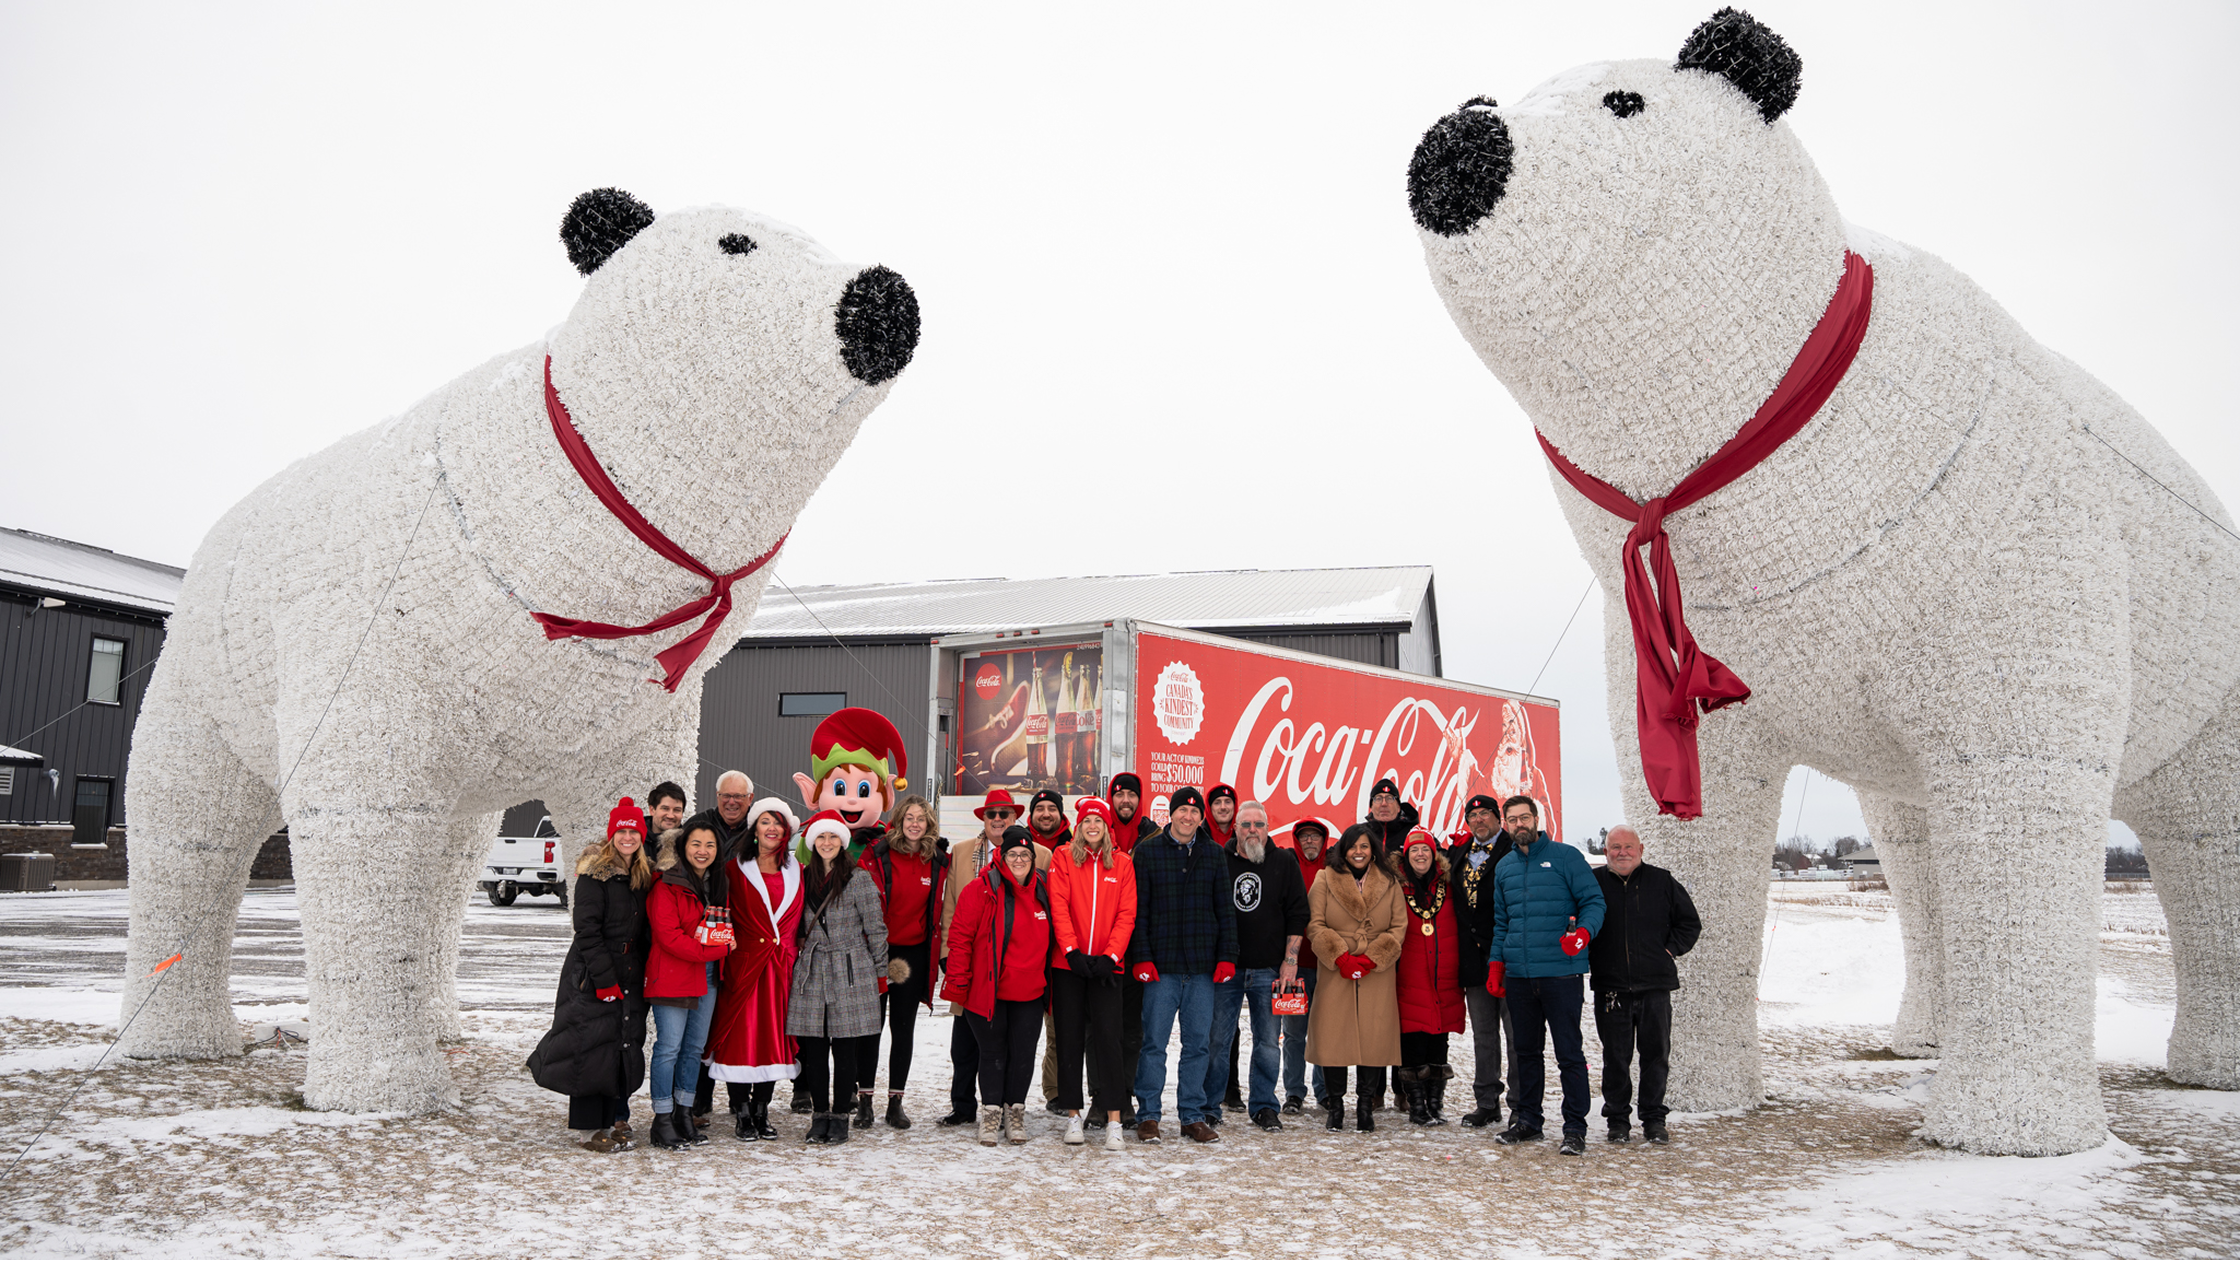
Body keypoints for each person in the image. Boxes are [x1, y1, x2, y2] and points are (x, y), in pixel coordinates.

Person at [527, 798, 654, 1152]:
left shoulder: (641, 875)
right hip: (593, 972)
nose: (627, 838)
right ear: (612, 835)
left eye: (633, 832)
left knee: (618, 1046)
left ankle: (612, 1120)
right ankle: (587, 1130)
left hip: (629, 972)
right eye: (621, 831)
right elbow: (586, 931)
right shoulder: (594, 874)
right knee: (589, 1046)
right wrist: (604, 980)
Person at [1486, 795, 1605, 1156]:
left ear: (1537, 819)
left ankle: (1574, 1127)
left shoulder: (1567, 857)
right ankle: (1528, 1121)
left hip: (1561, 974)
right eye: (1513, 819)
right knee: (1525, 1053)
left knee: (1569, 1053)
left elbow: (1594, 903)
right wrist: (1496, 963)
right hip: (1520, 976)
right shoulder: (1504, 867)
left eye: (1525, 818)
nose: (1519, 825)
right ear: (1505, 824)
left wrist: (1583, 934)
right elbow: (1502, 922)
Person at [1127, 785, 1238, 1145]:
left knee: (1198, 1046)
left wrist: (1226, 956)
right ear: (1170, 814)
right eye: (1182, 811)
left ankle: (1192, 1115)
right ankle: (1148, 1116)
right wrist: (1141, 956)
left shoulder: (1213, 853)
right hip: (1161, 968)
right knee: (1154, 1044)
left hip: (1202, 967)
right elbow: (1138, 912)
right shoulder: (1147, 853)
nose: (1188, 817)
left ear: (1201, 817)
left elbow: (1225, 910)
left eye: (1194, 812)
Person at [937, 789, 1051, 1127]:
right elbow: (950, 908)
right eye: (992, 815)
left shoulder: (1041, 856)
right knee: (967, 1046)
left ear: (1015, 819)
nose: (998, 819)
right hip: (972, 964)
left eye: (1004, 814)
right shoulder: (962, 853)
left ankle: (1005, 1108)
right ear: (983, 820)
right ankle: (964, 1106)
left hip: (1019, 973)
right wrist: (949, 956)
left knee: (1012, 1046)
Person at [1590, 824, 1701, 1145]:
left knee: (1655, 1056)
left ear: (1640, 849)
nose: (1621, 852)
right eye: (1614, 847)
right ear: (1605, 850)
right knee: (1616, 1057)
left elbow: (1689, 923)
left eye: (1628, 846)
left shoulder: (1661, 881)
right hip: (1611, 988)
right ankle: (1618, 1120)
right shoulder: (1594, 884)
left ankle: (1653, 1119)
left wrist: (1668, 949)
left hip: (1655, 986)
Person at [703, 797, 803, 1141]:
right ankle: (741, 1112)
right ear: (755, 830)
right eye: (765, 822)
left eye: (778, 823)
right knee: (740, 1040)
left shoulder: (796, 871)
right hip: (745, 966)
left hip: (781, 969)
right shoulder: (733, 869)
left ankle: (762, 1110)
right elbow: (720, 916)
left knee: (773, 1041)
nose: (772, 828)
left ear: (787, 830)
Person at [788, 810, 889, 1145]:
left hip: (851, 967)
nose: (827, 842)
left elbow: (876, 928)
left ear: (842, 842)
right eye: (821, 836)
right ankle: (820, 1115)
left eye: (833, 837)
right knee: (814, 1047)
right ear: (812, 841)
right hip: (813, 968)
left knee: (846, 1049)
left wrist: (879, 973)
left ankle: (841, 1116)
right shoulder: (802, 878)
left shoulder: (859, 879)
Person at [1208, 800, 1307, 1132]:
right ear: (1235, 829)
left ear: (1268, 828)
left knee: (1267, 1041)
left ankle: (1264, 1105)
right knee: (1219, 1040)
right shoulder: (1219, 861)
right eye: (1246, 824)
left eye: (1259, 825)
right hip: (1226, 969)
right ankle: (1210, 1105)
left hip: (1269, 970)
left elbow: (1298, 914)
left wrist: (1290, 961)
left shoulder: (1284, 862)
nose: (1253, 830)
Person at [1048, 796, 1137, 1151]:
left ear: (1107, 827)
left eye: (1098, 821)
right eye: (1087, 822)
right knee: (1069, 1039)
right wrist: (1071, 950)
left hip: (1106, 965)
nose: (1093, 826)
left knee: (1108, 1040)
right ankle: (1073, 1116)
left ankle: (1114, 1117)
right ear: (1079, 827)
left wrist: (1110, 955)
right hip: (1068, 964)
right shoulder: (1063, 858)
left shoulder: (1124, 864)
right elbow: (1059, 904)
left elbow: (1126, 914)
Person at [1305, 824, 1403, 1133]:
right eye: (1352, 846)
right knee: (1334, 1036)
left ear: (1373, 849)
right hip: (1337, 969)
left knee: (1373, 1038)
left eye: (1364, 846)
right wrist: (1341, 957)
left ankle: (1365, 1107)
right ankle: (1335, 1107)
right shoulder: (1324, 879)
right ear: (1343, 850)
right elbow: (1315, 924)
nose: (1358, 852)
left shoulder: (1389, 882)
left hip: (1377, 972)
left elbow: (1399, 927)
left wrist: (1373, 958)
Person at [858, 793, 948, 1129]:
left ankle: (896, 1102)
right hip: (877, 952)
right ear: (898, 821)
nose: (914, 824)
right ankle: (864, 1101)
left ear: (929, 825)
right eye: (908, 817)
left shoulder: (937, 860)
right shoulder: (878, 853)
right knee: (871, 1028)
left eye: (920, 819)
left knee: (903, 1029)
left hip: (913, 953)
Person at [645, 820, 733, 1149]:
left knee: (694, 1050)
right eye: (696, 844)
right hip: (672, 976)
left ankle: (684, 1112)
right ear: (684, 847)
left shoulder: (716, 884)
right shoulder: (666, 885)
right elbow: (669, 938)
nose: (703, 851)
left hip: (708, 976)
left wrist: (720, 947)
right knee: (668, 1049)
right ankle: (662, 1118)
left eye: (710, 845)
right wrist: (716, 949)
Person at [682, 770, 759, 1123]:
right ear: (716, 797)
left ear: (750, 799)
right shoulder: (698, 825)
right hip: (704, 932)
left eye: (738, 797)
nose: (732, 802)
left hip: (745, 933)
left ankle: (737, 1095)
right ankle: (699, 1097)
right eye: (726, 795)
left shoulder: (759, 830)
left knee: (734, 1019)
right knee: (704, 1019)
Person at [1447, 793, 1517, 1128]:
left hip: (1509, 955)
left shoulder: (1514, 848)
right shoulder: (1459, 852)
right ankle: (1487, 1102)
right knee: (1484, 1035)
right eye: (1472, 816)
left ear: (1497, 818)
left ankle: (1521, 1104)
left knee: (1518, 1034)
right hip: (1473, 960)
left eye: (1485, 814)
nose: (1479, 821)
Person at [1393, 827, 1465, 1125]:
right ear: (1406, 856)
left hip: (1444, 974)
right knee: (1413, 1040)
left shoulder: (1450, 886)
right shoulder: (1396, 888)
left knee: (1440, 1039)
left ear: (1434, 855)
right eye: (1414, 850)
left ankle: (1436, 1103)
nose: (1420, 855)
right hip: (1410, 975)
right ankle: (1417, 1105)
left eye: (1425, 850)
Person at [1353, 778, 1418, 1111]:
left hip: (1408, 929)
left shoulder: (1412, 835)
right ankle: (1372, 1088)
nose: (1383, 804)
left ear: (1398, 804)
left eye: (1389, 799)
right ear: (1370, 804)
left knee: (1403, 1013)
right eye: (1377, 798)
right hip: (1369, 933)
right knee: (1372, 1015)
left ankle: (1403, 1087)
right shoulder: (1359, 835)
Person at [1104, 770, 1159, 1124]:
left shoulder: (1152, 836)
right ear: (1112, 798)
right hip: (1101, 946)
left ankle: (1125, 1097)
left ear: (1140, 799)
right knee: (1100, 1030)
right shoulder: (1096, 832)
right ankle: (1101, 1097)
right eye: (1120, 795)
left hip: (1138, 947)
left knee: (1132, 1030)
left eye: (1131, 796)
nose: (1125, 801)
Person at [1280, 817, 1335, 1115]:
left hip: (1327, 966)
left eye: (1315, 837)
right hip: (1295, 967)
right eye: (1305, 837)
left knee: (1324, 1030)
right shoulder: (1288, 867)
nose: (1310, 842)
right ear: (1297, 841)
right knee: (1293, 1033)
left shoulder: (1334, 869)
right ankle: (1293, 1092)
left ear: (1323, 841)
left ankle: (1324, 1091)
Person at [1025, 787, 1072, 1112]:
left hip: (1063, 949)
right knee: (1022, 1030)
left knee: (1061, 1026)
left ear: (1060, 813)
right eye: (1040, 808)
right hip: (1027, 949)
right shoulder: (1019, 845)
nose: (1045, 814)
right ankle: (1007, 1097)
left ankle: (1056, 1091)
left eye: (1051, 809)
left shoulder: (1075, 845)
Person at [1205, 783, 1239, 847]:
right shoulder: (1197, 836)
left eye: (1227, 802)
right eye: (1217, 803)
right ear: (1209, 808)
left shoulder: (1244, 835)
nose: (1223, 807)